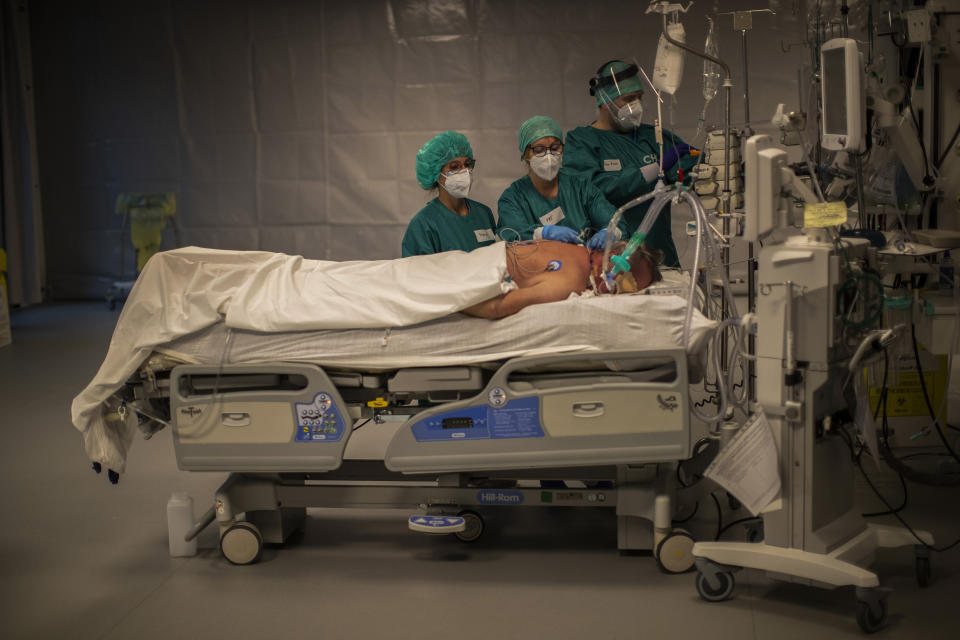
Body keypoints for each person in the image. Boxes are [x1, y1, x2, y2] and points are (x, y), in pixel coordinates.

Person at [563, 60, 699, 268]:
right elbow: (591, 191)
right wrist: (654, 170)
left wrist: (731, 171)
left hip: (658, 257)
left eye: (639, 97)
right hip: (611, 259)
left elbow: (696, 170)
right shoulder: (582, 142)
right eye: (628, 99)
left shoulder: (653, 137)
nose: (636, 105)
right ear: (604, 101)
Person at [496, 115, 624, 251]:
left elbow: (615, 220)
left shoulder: (580, 187)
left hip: (584, 263)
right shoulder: (512, 198)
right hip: (541, 269)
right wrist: (543, 233)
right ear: (525, 154)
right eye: (538, 150)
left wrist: (610, 233)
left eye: (555, 147)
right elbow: (512, 234)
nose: (548, 156)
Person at [464, 239, 661, 319]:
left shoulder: (576, 251)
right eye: (626, 285)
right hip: (461, 276)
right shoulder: (569, 282)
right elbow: (496, 308)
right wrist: (450, 303)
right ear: (611, 260)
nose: (618, 293)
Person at [402, 130, 498, 257]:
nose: (464, 171)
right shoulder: (423, 224)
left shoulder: (483, 213)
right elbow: (418, 273)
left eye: (467, 164)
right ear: (436, 173)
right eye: (454, 167)